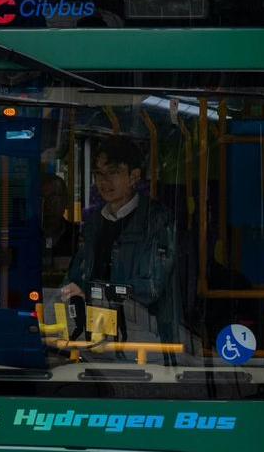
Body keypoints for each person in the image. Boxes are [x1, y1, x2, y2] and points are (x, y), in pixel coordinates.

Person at [58, 136, 180, 345]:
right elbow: (75, 277)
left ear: (134, 177)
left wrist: (89, 290)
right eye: (99, 174)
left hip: (145, 340)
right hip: (96, 337)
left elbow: (149, 288)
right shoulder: (94, 222)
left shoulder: (158, 221)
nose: (104, 182)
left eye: (113, 173)